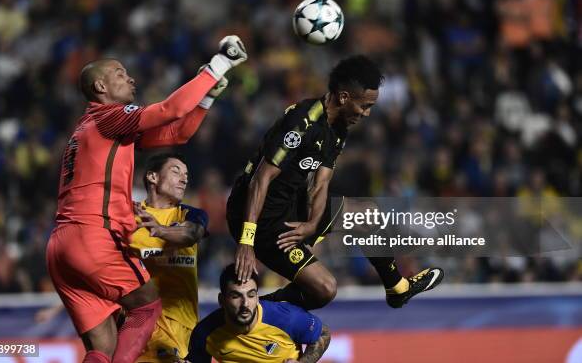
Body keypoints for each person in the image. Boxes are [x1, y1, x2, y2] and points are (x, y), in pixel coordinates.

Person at [46, 36, 247, 363]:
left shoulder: (92, 129)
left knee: (102, 350)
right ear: (100, 86)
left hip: (61, 247)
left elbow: (176, 134)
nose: (131, 78)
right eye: (120, 73)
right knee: (147, 304)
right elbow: (171, 109)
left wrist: (207, 97)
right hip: (93, 235)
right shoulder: (107, 116)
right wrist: (219, 64)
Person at [227, 55, 443, 311]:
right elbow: (261, 179)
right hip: (257, 219)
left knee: (369, 215)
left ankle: (397, 288)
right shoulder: (302, 121)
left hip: (292, 205)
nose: (367, 113)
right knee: (325, 290)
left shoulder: (338, 128)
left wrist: (310, 225)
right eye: (364, 106)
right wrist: (246, 241)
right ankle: (257, 308)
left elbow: (321, 182)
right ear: (343, 97)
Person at [128, 153, 208, 362]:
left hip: (183, 329)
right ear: (153, 177)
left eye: (186, 175)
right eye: (176, 171)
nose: (184, 179)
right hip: (140, 325)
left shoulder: (189, 214)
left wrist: (160, 230)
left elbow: (192, 234)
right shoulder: (127, 217)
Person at [184, 264, 331, 363]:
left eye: (251, 295)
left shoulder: (286, 318)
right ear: (222, 300)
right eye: (236, 296)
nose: (245, 304)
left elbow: (323, 334)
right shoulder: (205, 332)